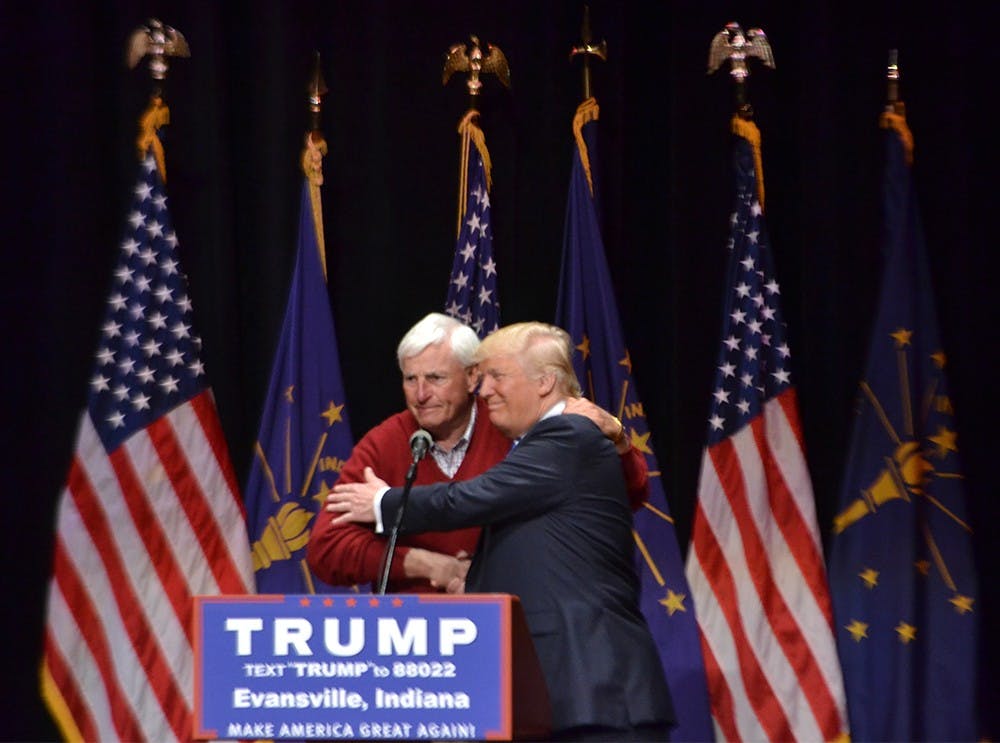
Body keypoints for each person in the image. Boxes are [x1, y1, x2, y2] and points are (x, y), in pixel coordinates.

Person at [326, 322, 674, 741]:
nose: (485, 389)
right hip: (521, 685)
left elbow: (471, 499)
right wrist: (443, 570)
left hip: (591, 684)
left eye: (495, 376)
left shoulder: (564, 434)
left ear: (544, 382)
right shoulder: (394, 440)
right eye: (410, 378)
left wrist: (382, 503)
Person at [306, 312, 649, 593]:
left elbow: (624, 494)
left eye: (435, 378)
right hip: (413, 631)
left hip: (515, 618)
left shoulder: (512, 422)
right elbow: (326, 548)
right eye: (411, 379)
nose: (421, 394)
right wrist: (427, 565)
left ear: (472, 377)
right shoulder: (386, 442)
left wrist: (618, 439)